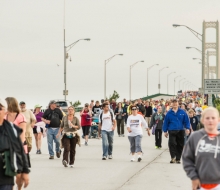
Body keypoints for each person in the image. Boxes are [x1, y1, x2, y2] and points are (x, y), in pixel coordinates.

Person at [183, 107, 220, 190]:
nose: (210, 120)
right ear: (202, 120)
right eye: (207, 118)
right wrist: (193, 177)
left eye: (213, 118)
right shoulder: (195, 137)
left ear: (218, 120)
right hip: (200, 184)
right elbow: (187, 159)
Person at [0, 98, 30, 190]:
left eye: (1, 108)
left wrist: (25, 170)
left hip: (5, 173)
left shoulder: (11, 128)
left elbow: (19, 148)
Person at [162, 99, 190, 164]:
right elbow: (166, 122)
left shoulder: (183, 112)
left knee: (180, 145)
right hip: (172, 130)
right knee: (172, 143)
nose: (175, 104)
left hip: (181, 130)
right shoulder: (169, 113)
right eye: (173, 103)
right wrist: (165, 131)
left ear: (178, 103)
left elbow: (186, 121)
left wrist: (187, 128)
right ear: (171, 104)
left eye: (176, 103)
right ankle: (173, 157)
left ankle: (178, 158)